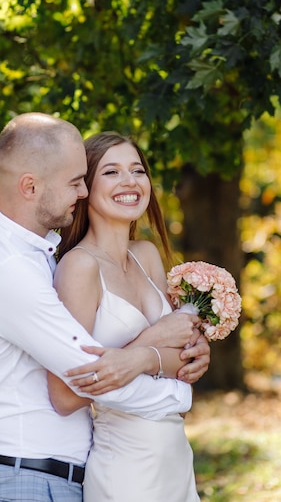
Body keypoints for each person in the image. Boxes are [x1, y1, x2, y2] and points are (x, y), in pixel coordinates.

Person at [0, 113, 209, 502]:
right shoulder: (14, 270)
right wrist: (161, 369)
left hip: (71, 474)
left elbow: (162, 356)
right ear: (30, 186)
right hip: (29, 481)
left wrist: (184, 352)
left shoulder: (38, 254)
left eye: (137, 169)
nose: (83, 192)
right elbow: (78, 382)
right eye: (77, 182)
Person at [48, 131, 203, 502]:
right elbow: (66, 395)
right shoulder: (79, 268)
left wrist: (194, 356)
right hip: (126, 470)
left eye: (137, 170)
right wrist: (150, 348)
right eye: (112, 172)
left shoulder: (147, 255)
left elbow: (179, 359)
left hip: (175, 459)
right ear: (85, 187)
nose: (130, 181)